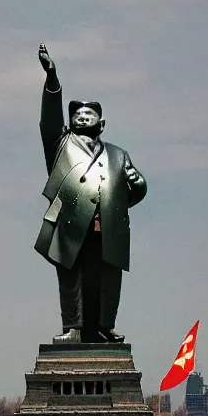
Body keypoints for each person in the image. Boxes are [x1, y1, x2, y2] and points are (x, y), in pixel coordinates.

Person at [34, 44, 147, 343]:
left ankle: (104, 327)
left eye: (89, 115)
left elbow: (132, 194)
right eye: (78, 115)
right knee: (71, 277)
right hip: (72, 225)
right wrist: (52, 78)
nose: (82, 118)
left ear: (102, 123)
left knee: (108, 280)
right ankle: (73, 326)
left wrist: (137, 185)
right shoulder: (61, 145)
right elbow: (48, 120)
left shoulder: (118, 155)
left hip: (107, 227)